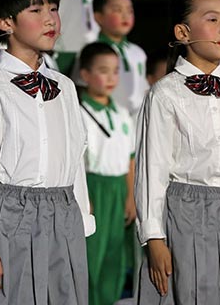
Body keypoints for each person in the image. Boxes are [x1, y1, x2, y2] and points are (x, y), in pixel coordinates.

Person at [0, 0, 95, 304]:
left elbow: (76, 156)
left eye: (53, 9)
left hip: (64, 213)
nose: (50, 19)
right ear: (6, 22)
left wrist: (81, 220)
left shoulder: (63, 86)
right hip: (15, 213)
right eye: (36, 10)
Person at [134, 0, 220, 304]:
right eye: (212, 19)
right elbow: (153, 168)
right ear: (182, 32)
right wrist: (154, 237)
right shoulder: (166, 93)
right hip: (184, 211)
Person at [78, 42, 135, 305]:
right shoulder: (79, 113)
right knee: (91, 256)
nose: (111, 78)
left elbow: (130, 158)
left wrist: (131, 195)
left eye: (115, 71)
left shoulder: (122, 113)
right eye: (103, 71)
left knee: (115, 256)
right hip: (93, 188)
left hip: (118, 188)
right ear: (86, 75)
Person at [93, 0, 149, 118]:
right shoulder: (92, 51)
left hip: (136, 121)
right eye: (117, 10)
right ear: (99, 17)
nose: (125, 16)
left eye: (130, 11)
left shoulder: (138, 52)